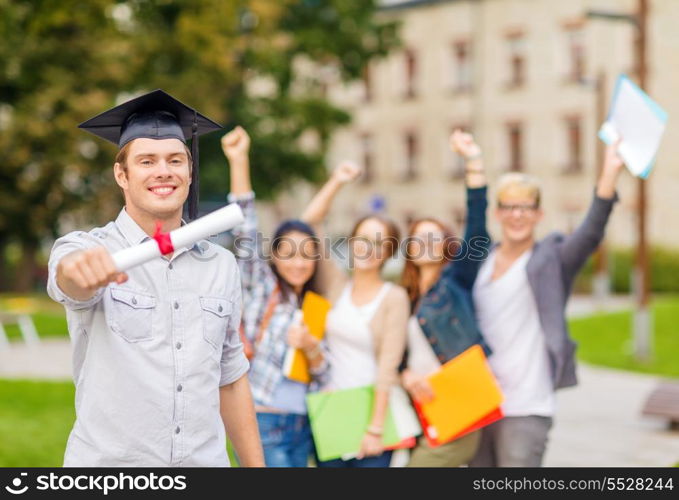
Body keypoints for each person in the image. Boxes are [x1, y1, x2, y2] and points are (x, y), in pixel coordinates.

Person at [46, 90, 264, 467]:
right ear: (122, 174)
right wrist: (80, 272)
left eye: (175, 160)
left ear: (189, 171)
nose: (163, 171)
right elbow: (70, 278)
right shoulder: (88, 248)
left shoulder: (221, 265)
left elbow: (230, 377)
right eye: (146, 161)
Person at [469, 140, 625, 467]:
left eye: (525, 207)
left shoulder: (551, 259)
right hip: (479, 401)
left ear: (538, 214)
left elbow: (589, 234)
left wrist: (609, 172)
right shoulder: (480, 259)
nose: (517, 215)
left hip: (526, 403)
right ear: (497, 213)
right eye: (509, 206)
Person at [223, 126, 354, 467]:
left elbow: (323, 374)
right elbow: (245, 228)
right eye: (289, 253)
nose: (298, 262)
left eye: (306, 254)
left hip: (304, 425)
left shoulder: (313, 303)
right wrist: (239, 161)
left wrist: (311, 347)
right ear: (275, 257)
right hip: (264, 420)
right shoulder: (262, 288)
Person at [301, 163, 410, 468]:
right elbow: (310, 224)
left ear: (389, 252)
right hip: (332, 412)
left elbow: (387, 368)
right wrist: (337, 181)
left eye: (379, 243)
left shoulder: (394, 298)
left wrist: (374, 429)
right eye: (363, 239)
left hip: (373, 419)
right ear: (351, 242)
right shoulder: (335, 284)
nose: (368, 248)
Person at [398, 130, 490, 467]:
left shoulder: (456, 282)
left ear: (444, 246)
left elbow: (478, 229)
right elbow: (395, 353)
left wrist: (473, 162)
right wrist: (404, 373)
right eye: (418, 238)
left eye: (432, 237)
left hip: (459, 401)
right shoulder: (404, 297)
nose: (424, 243)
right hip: (417, 409)